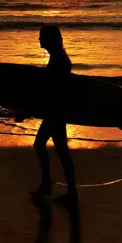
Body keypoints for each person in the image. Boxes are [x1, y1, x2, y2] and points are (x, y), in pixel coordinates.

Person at [29, 24, 78, 202]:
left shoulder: (59, 59)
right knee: (60, 149)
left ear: (49, 39)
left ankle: (48, 185)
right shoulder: (58, 57)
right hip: (58, 110)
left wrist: (30, 108)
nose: (39, 40)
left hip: (56, 111)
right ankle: (66, 190)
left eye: (41, 36)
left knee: (41, 144)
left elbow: (54, 89)